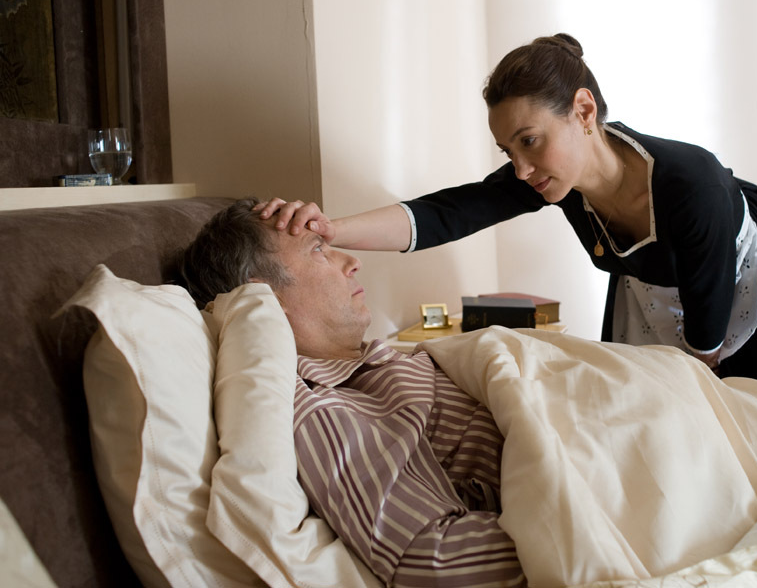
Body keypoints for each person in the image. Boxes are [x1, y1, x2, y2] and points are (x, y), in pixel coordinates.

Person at [258, 33, 757, 398]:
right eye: (509, 152)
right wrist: (330, 228)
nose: (522, 167)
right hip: (654, 288)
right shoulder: (556, 178)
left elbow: (707, 346)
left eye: (530, 141)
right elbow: (447, 213)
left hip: (744, 275)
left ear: (584, 110)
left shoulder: (691, 184)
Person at [181, 198, 526, 588]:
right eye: (318, 249)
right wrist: (596, 530)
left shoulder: (374, 367)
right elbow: (436, 559)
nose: (352, 262)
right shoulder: (327, 406)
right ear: (267, 298)